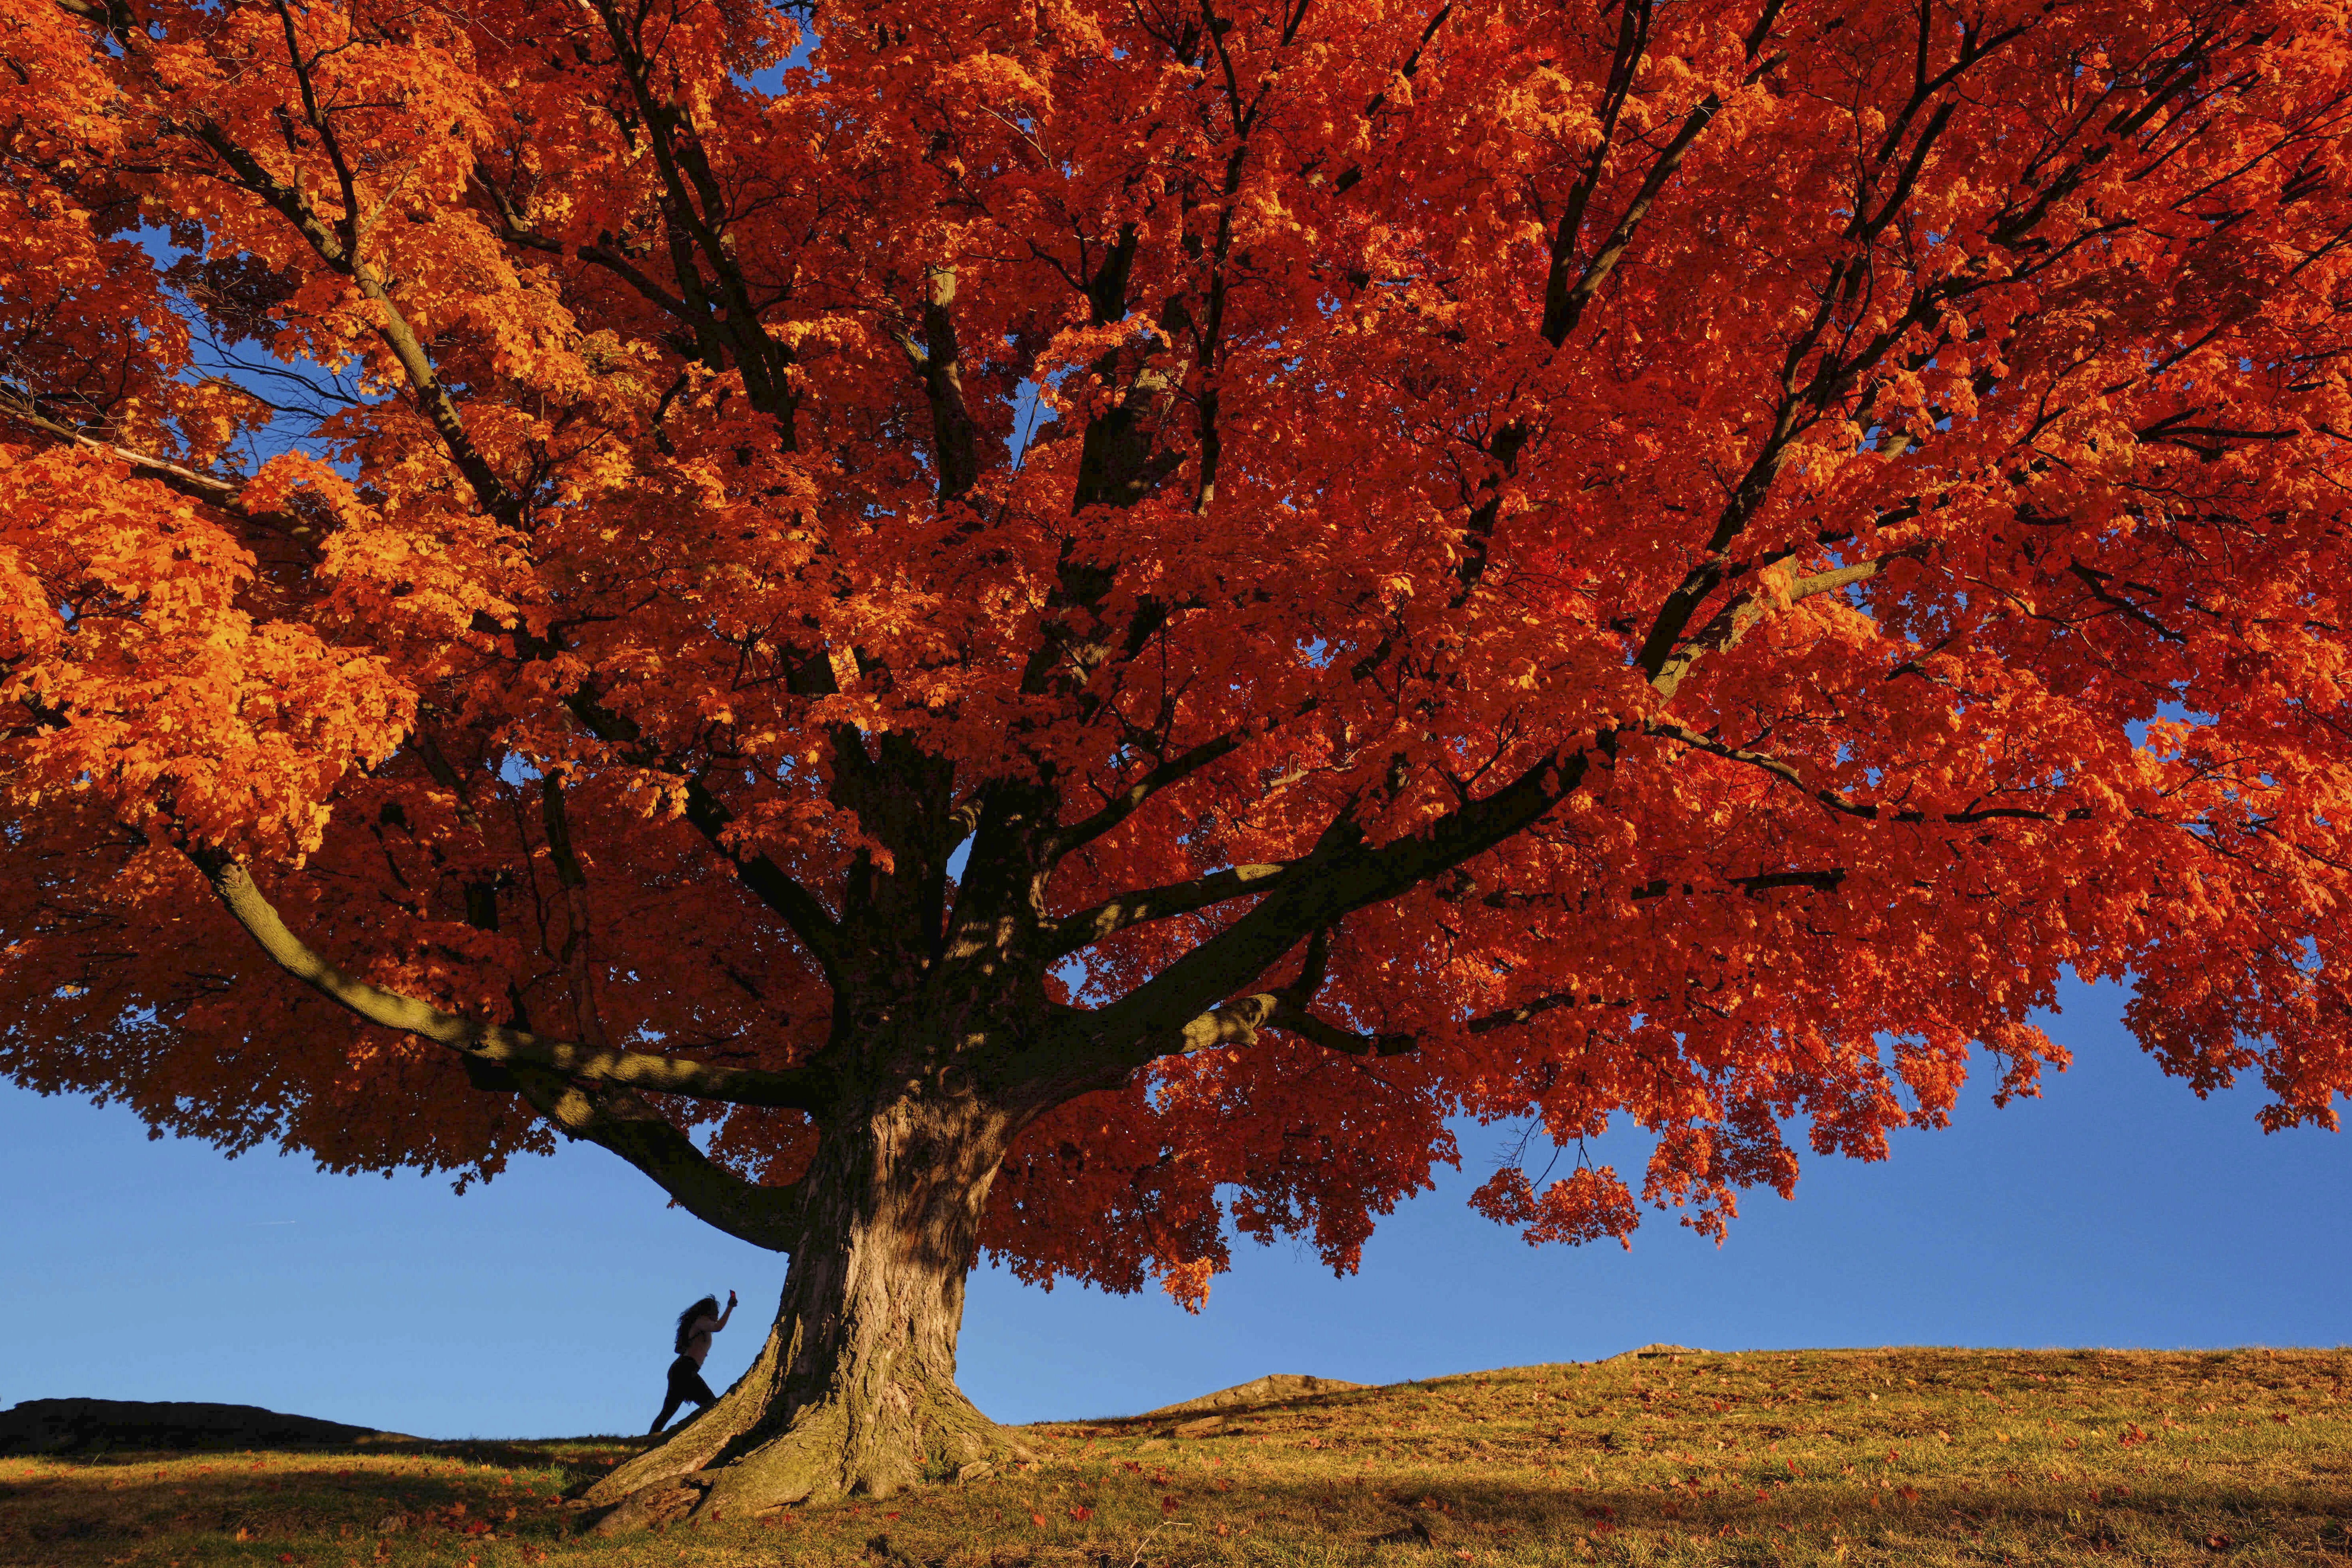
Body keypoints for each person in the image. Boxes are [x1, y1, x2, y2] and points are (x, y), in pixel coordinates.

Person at [648, 1288, 736, 1436]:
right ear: (709, 1312)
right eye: (716, 1312)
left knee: (669, 1410)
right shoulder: (701, 1322)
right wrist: (730, 1307)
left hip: (683, 1369)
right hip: (685, 1370)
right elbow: (719, 1327)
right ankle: (659, 1437)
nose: (717, 1316)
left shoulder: (700, 1325)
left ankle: (650, 1438)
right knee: (711, 1406)